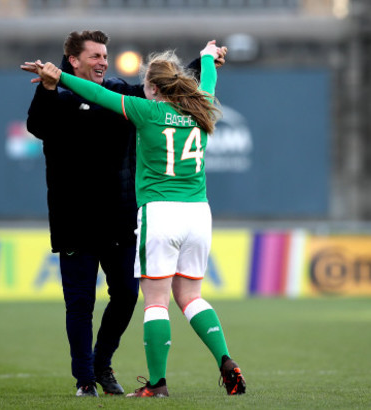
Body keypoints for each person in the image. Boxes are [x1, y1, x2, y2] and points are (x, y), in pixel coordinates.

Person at [32, 40, 246, 398]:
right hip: (199, 213)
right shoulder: (202, 107)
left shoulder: (144, 111)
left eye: (147, 84)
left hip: (160, 213)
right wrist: (208, 55)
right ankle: (226, 360)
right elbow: (207, 75)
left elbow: (94, 93)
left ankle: (157, 384)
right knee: (191, 296)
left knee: (156, 302)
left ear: (154, 89)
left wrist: (59, 79)